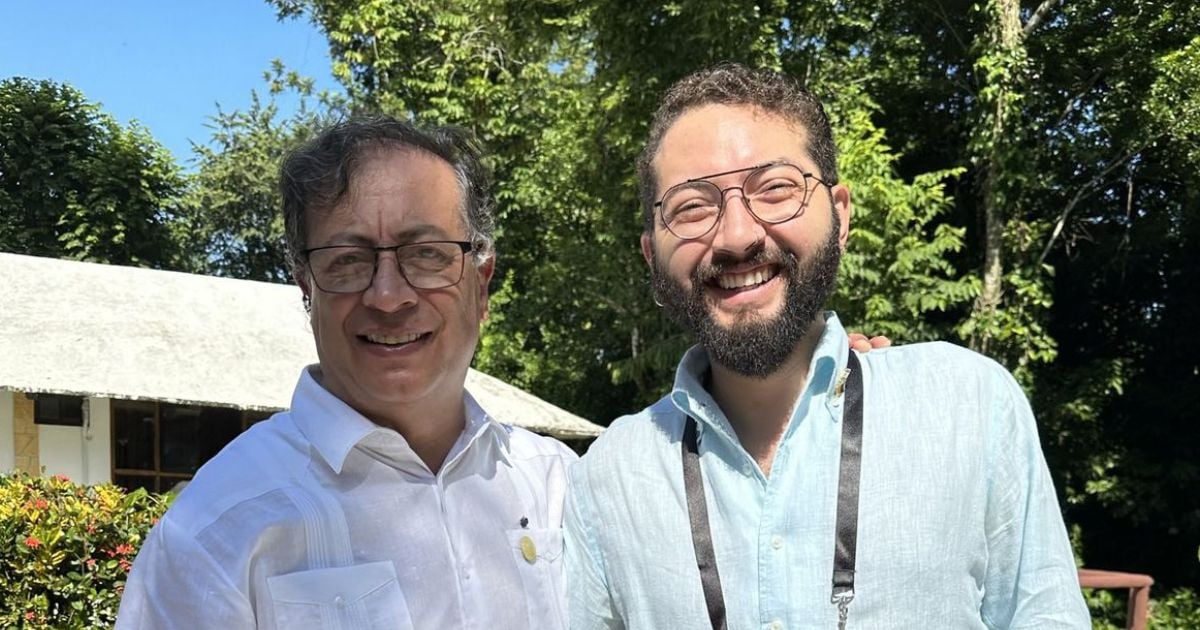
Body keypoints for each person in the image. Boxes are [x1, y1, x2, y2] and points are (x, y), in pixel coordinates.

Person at [564, 63, 1090, 629]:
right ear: (651, 255)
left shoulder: (969, 405)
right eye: (691, 207)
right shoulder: (608, 478)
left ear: (840, 216)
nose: (737, 235)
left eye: (776, 189)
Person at [116, 118, 576, 629]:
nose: (388, 296)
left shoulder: (558, 488)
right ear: (306, 290)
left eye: (426, 254)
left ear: (481, 285)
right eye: (347, 261)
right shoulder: (215, 530)